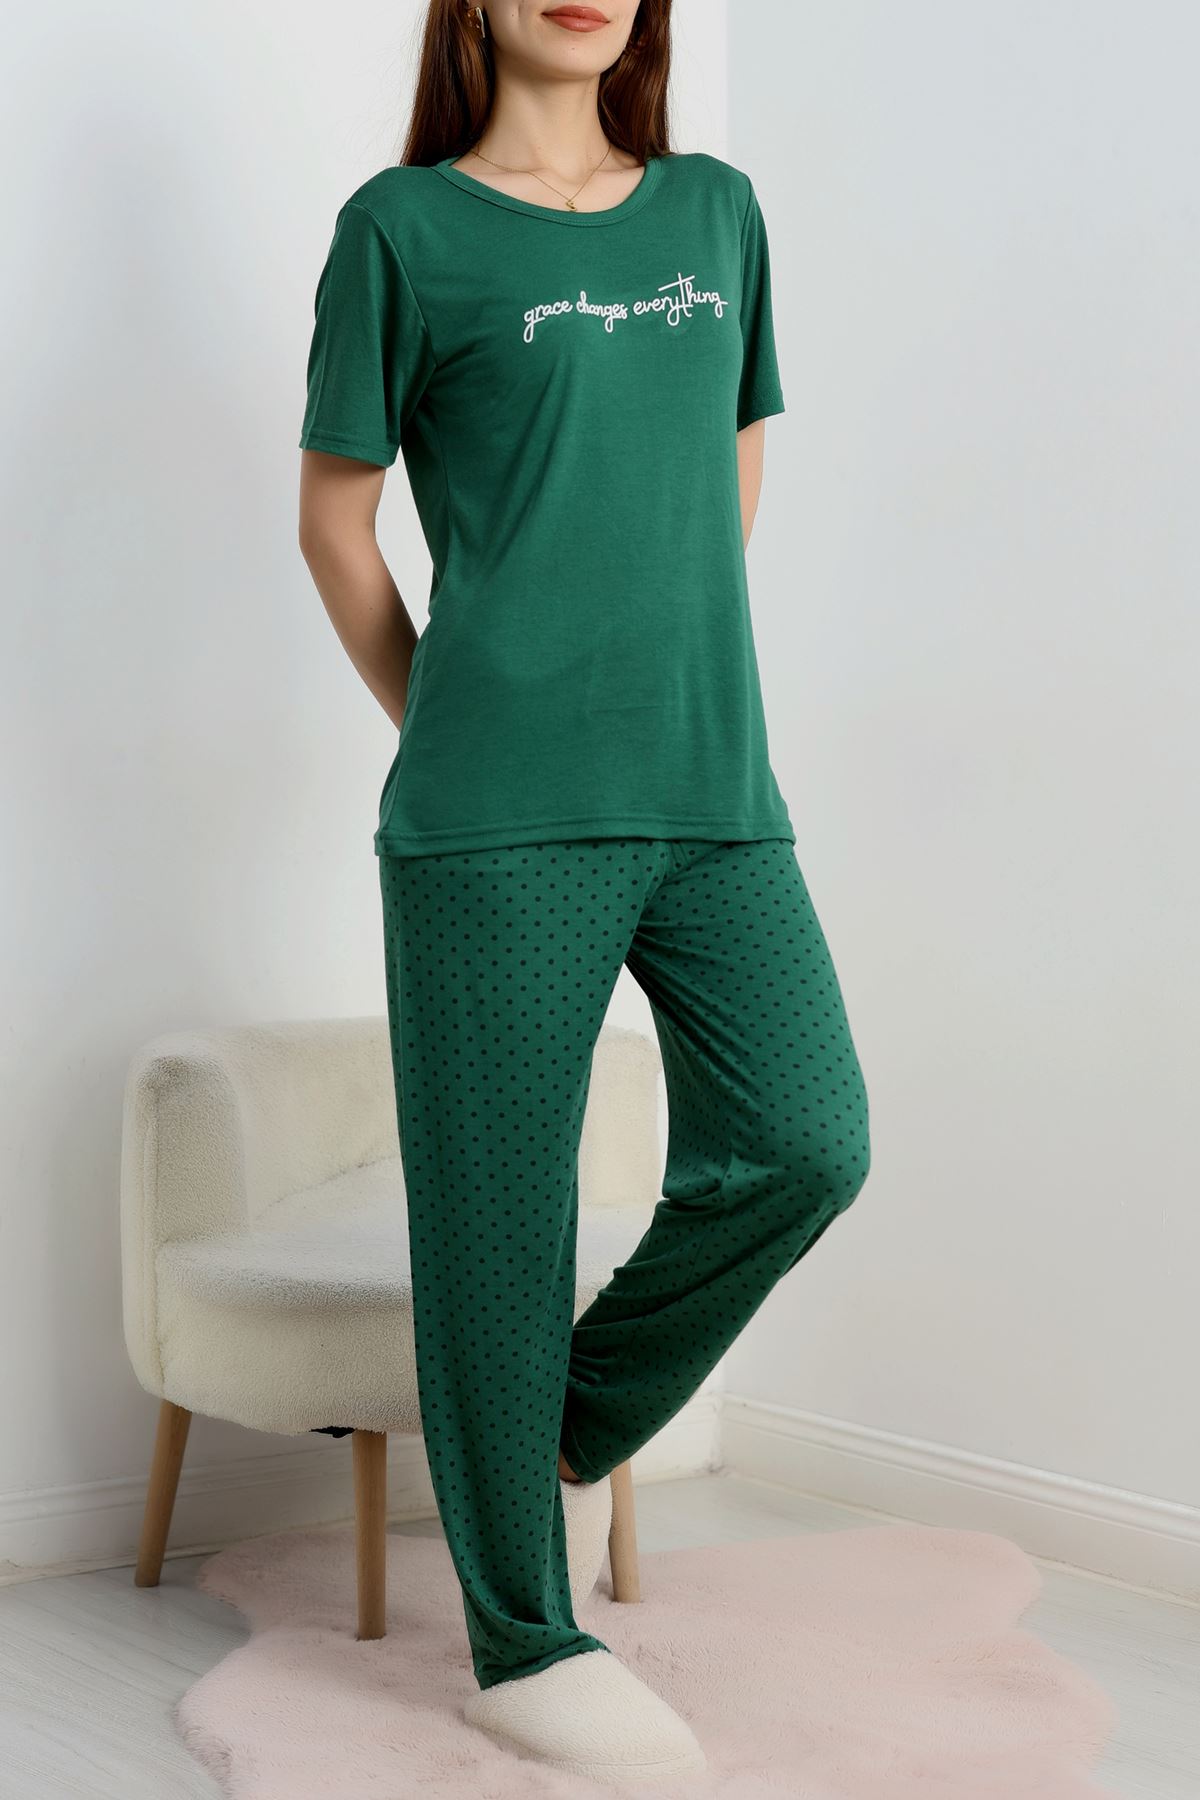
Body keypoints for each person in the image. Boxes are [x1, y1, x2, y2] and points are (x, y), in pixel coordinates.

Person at [297, 0, 871, 1783]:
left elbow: (726, 471)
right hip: (492, 821)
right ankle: (522, 1643)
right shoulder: (401, 230)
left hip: (712, 794)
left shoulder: (717, 212)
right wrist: (465, 715)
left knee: (808, 1142)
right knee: (498, 1224)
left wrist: (644, 669)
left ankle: (562, 1426)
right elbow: (335, 522)